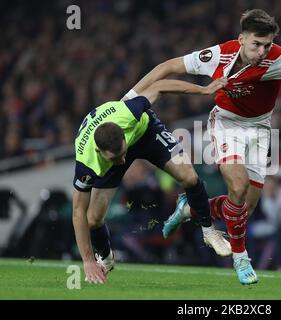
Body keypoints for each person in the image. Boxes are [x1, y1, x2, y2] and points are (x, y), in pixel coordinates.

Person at [128, 9, 281, 285]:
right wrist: (128, 100)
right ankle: (241, 257)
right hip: (226, 123)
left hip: (260, 130)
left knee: (243, 208)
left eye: (267, 44)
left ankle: (189, 209)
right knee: (238, 185)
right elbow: (168, 67)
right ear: (241, 39)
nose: (262, 51)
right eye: (256, 44)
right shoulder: (218, 55)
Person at [72, 77, 231, 284]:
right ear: (98, 152)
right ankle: (105, 257)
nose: (122, 161)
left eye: (122, 153)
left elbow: (160, 86)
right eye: (115, 158)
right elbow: (78, 213)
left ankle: (209, 231)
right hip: (112, 149)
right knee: (93, 219)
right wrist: (87, 260)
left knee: (190, 177)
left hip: (146, 134)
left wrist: (203, 90)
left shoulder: (128, 113)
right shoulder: (86, 161)